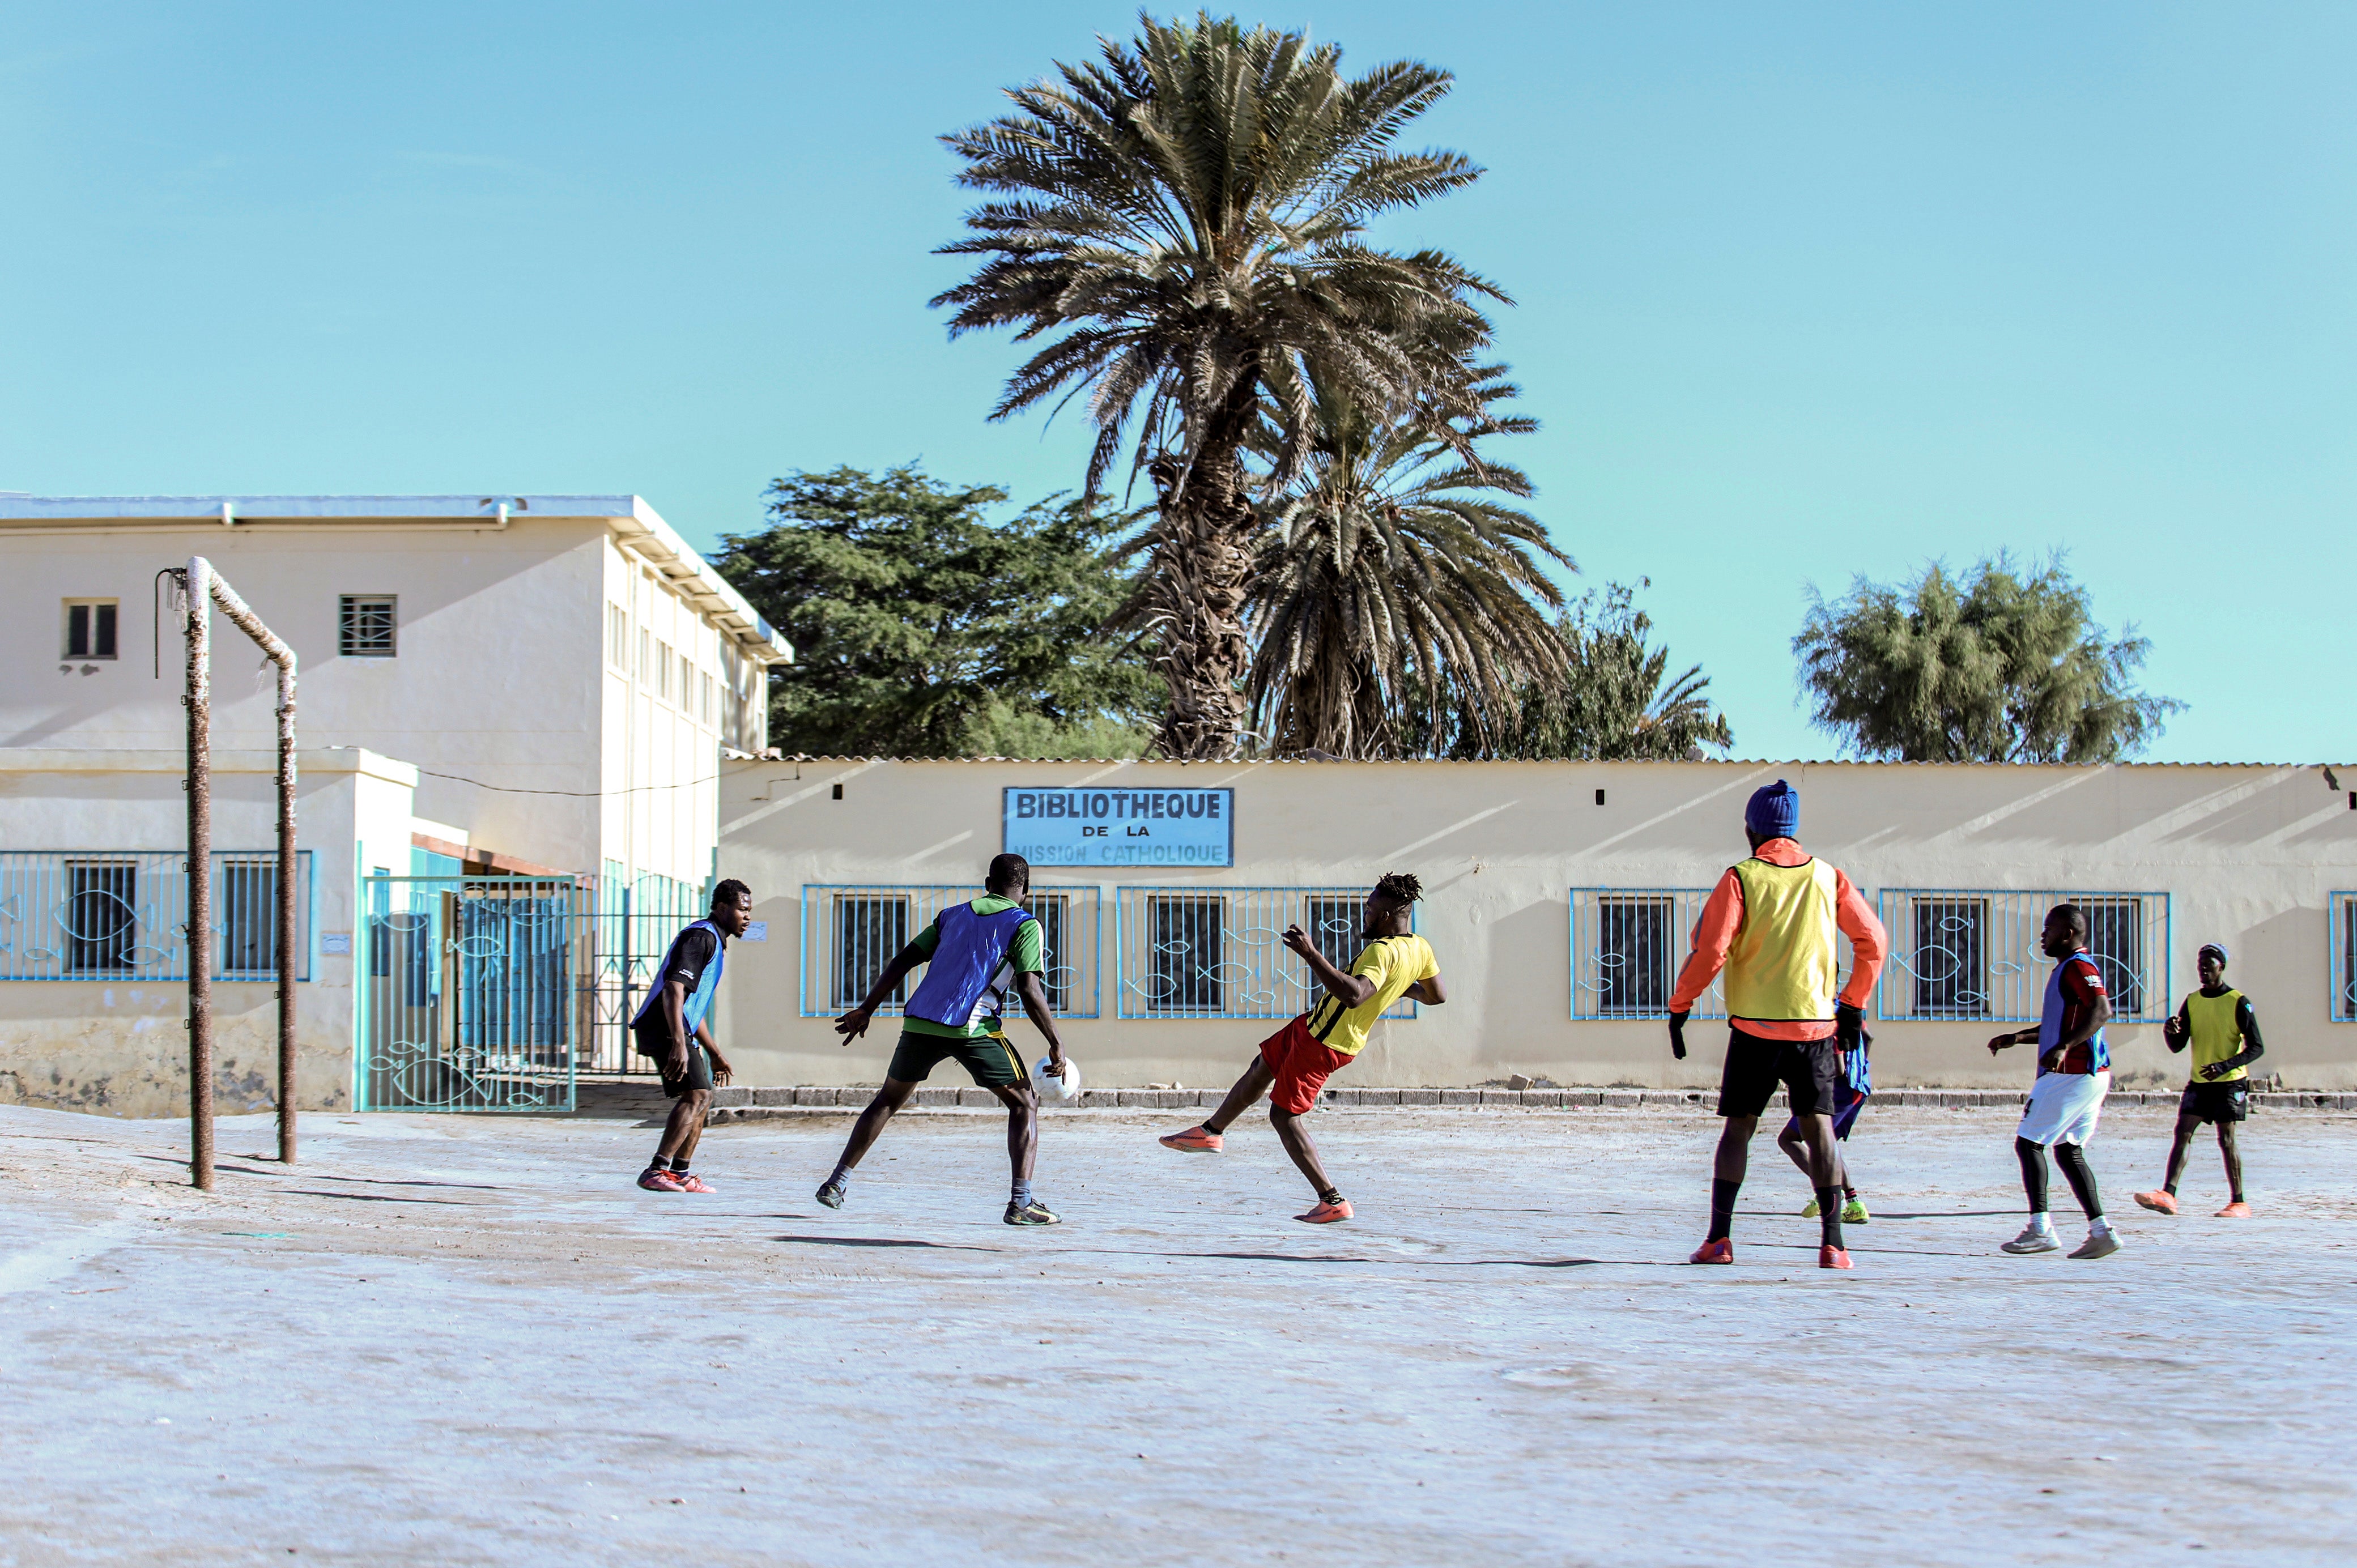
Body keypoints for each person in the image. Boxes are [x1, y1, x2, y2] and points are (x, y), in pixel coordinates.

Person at [1666, 778, 1886, 1269]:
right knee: (1820, 1132)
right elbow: (1873, 940)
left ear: (1751, 829)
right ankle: (1834, 1246)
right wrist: (1852, 1004)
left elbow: (1712, 951)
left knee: (1738, 1132)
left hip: (1754, 1032)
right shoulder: (1829, 878)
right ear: (1794, 829)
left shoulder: (1740, 878)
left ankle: (1719, 1241)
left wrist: (1681, 1006)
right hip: (1816, 1030)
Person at [1156, 874, 1443, 1224]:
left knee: (1283, 1116)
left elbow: (1354, 995)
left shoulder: (1380, 952)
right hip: (1312, 1026)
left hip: (1325, 1042)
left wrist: (1311, 954)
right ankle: (1210, 1134)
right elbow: (1435, 995)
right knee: (1263, 1064)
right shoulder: (1420, 947)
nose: (1364, 915)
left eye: (1368, 910)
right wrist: (1394, 989)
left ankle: (1331, 1200)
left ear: (1385, 916)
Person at [820, 854, 1069, 1226]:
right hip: (971, 1027)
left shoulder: (952, 916)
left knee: (887, 1101)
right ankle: (1021, 1202)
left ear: (987, 883)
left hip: (920, 1024)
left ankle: (836, 1183)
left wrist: (866, 1009)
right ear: (1026, 892)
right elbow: (1030, 989)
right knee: (1025, 1102)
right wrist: (1055, 1041)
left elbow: (903, 959)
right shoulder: (1024, 924)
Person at [1989, 904, 2121, 1259]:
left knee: (2029, 1143)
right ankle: (2101, 1231)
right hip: (2089, 1077)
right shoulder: (2066, 969)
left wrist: (2064, 1047)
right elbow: (2058, 1028)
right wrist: (2016, 1038)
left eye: (2048, 929)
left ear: (2067, 933)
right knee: (2067, 1150)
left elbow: (2102, 1010)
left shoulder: (2079, 967)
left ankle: (2041, 1229)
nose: (2042, 936)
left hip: (2072, 1076)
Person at [633, 879, 752, 1193]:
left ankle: (680, 1173)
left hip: (676, 1025)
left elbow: (691, 1007)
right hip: (662, 1024)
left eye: (749, 910)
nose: (747, 917)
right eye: (742, 910)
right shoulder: (700, 937)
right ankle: (656, 1171)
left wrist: (715, 1053)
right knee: (697, 1095)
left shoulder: (714, 941)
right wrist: (677, 1043)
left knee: (704, 1095)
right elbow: (673, 989)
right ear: (722, 908)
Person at [2135, 942, 2263, 1218]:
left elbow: (2257, 1047)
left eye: (2209, 965)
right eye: (2200, 965)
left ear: (2222, 967)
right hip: (2200, 1082)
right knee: (2183, 1132)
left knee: (2226, 1140)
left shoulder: (2238, 1002)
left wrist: (2224, 1066)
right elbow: (2177, 1045)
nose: (2203, 970)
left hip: (2230, 1083)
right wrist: (2170, 1031)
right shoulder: (2192, 1001)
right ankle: (2168, 1195)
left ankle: (2239, 1202)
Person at [1781, 1025, 1871, 1225]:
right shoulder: (1844, 1008)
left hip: (1837, 1091)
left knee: (1788, 1140)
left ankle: (1828, 1188)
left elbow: (1838, 1068)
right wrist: (1860, 1066)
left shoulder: (1824, 1017)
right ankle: (1854, 1203)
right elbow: (1868, 1036)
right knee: (1827, 1143)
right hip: (1858, 1085)